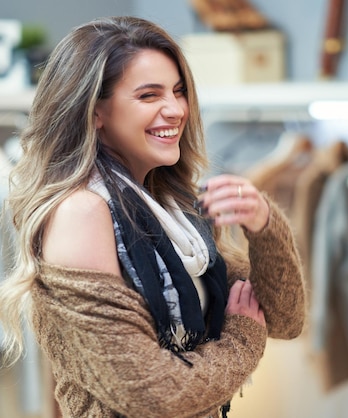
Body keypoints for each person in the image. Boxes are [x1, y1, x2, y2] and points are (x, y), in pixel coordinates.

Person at [0, 16, 305, 418]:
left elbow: (285, 318)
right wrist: (241, 340)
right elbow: (152, 395)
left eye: (179, 92)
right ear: (95, 112)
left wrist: (265, 226)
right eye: (149, 95)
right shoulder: (82, 211)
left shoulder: (173, 210)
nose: (175, 109)